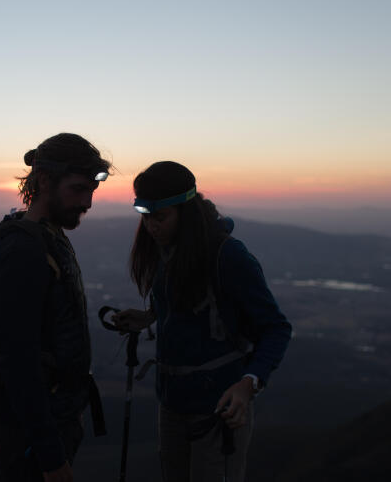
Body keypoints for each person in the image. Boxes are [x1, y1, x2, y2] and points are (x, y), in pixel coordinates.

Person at [112, 161, 291, 482]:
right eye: (146, 217)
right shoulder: (167, 251)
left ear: (186, 212)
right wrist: (148, 317)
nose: (151, 226)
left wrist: (248, 384)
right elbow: (186, 305)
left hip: (220, 408)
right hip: (172, 403)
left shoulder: (228, 256)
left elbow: (276, 328)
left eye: (160, 217)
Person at [0, 133, 112, 482]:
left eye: (91, 191)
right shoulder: (22, 252)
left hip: (57, 421)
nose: (87, 202)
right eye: (77, 189)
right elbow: (17, 361)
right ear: (44, 180)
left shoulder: (51, 237)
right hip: (30, 436)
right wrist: (50, 456)